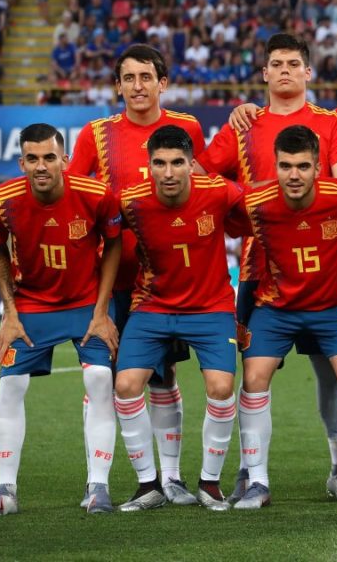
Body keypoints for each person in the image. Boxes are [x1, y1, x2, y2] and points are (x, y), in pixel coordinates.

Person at [197, 33, 337, 503]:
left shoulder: (329, 124)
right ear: (264, 73)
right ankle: (252, 473)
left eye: (293, 63)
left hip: (324, 264)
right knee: (254, 373)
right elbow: (206, 180)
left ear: (308, 72)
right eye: (276, 63)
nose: (285, 70)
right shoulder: (244, 125)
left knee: (335, 372)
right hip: (259, 270)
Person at [70, 44, 206, 507]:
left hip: (164, 280)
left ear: (162, 82)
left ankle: (170, 479)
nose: (138, 86)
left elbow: (203, 188)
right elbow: (76, 200)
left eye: (146, 77)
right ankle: (101, 481)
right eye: (128, 78)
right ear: (118, 84)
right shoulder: (96, 135)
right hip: (110, 279)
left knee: (163, 377)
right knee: (103, 378)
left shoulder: (186, 128)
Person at [0, 123, 121, 515]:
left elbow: (114, 244)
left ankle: (99, 487)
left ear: (64, 159)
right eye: (32, 158)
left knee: (99, 378)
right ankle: (5, 490)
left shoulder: (95, 194)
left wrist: (102, 311)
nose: (41, 166)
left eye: (49, 157)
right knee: (11, 386)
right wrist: (9, 313)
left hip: (86, 302)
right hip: (32, 304)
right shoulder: (2, 198)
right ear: (21, 161)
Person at [233, 125, 337, 509]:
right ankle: (257, 481)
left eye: (302, 166)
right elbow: (225, 219)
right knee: (253, 377)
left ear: (318, 167)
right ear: (275, 166)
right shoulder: (256, 201)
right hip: (276, 307)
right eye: (285, 166)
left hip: (335, 307)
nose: (293, 175)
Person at [113, 125, 245, 512]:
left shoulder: (220, 191)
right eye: (159, 163)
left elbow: (259, 211)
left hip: (211, 306)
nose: (168, 172)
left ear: (192, 165)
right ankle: (148, 485)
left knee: (221, 388)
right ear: (148, 166)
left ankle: (210, 484)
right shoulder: (130, 202)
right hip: (152, 306)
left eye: (177, 163)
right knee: (125, 385)